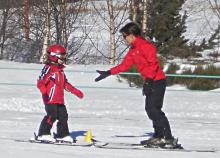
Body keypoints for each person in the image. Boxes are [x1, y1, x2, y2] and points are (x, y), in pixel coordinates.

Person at [95, 22, 176, 147]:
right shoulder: (134, 48)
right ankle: (159, 136)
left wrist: (149, 81)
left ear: (132, 35)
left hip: (157, 81)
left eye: (125, 36)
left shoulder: (146, 46)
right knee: (150, 109)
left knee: (154, 110)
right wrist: (109, 72)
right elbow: (125, 65)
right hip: (150, 81)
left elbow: (153, 64)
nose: (124, 39)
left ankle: (167, 138)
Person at [36, 44, 84, 143]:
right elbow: (41, 81)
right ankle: (43, 133)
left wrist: (76, 91)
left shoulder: (60, 71)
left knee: (63, 116)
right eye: (61, 56)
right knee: (51, 115)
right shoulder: (49, 68)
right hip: (50, 98)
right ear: (53, 56)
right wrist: (44, 92)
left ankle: (62, 135)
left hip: (59, 99)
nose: (63, 59)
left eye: (64, 56)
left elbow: (65, 84)